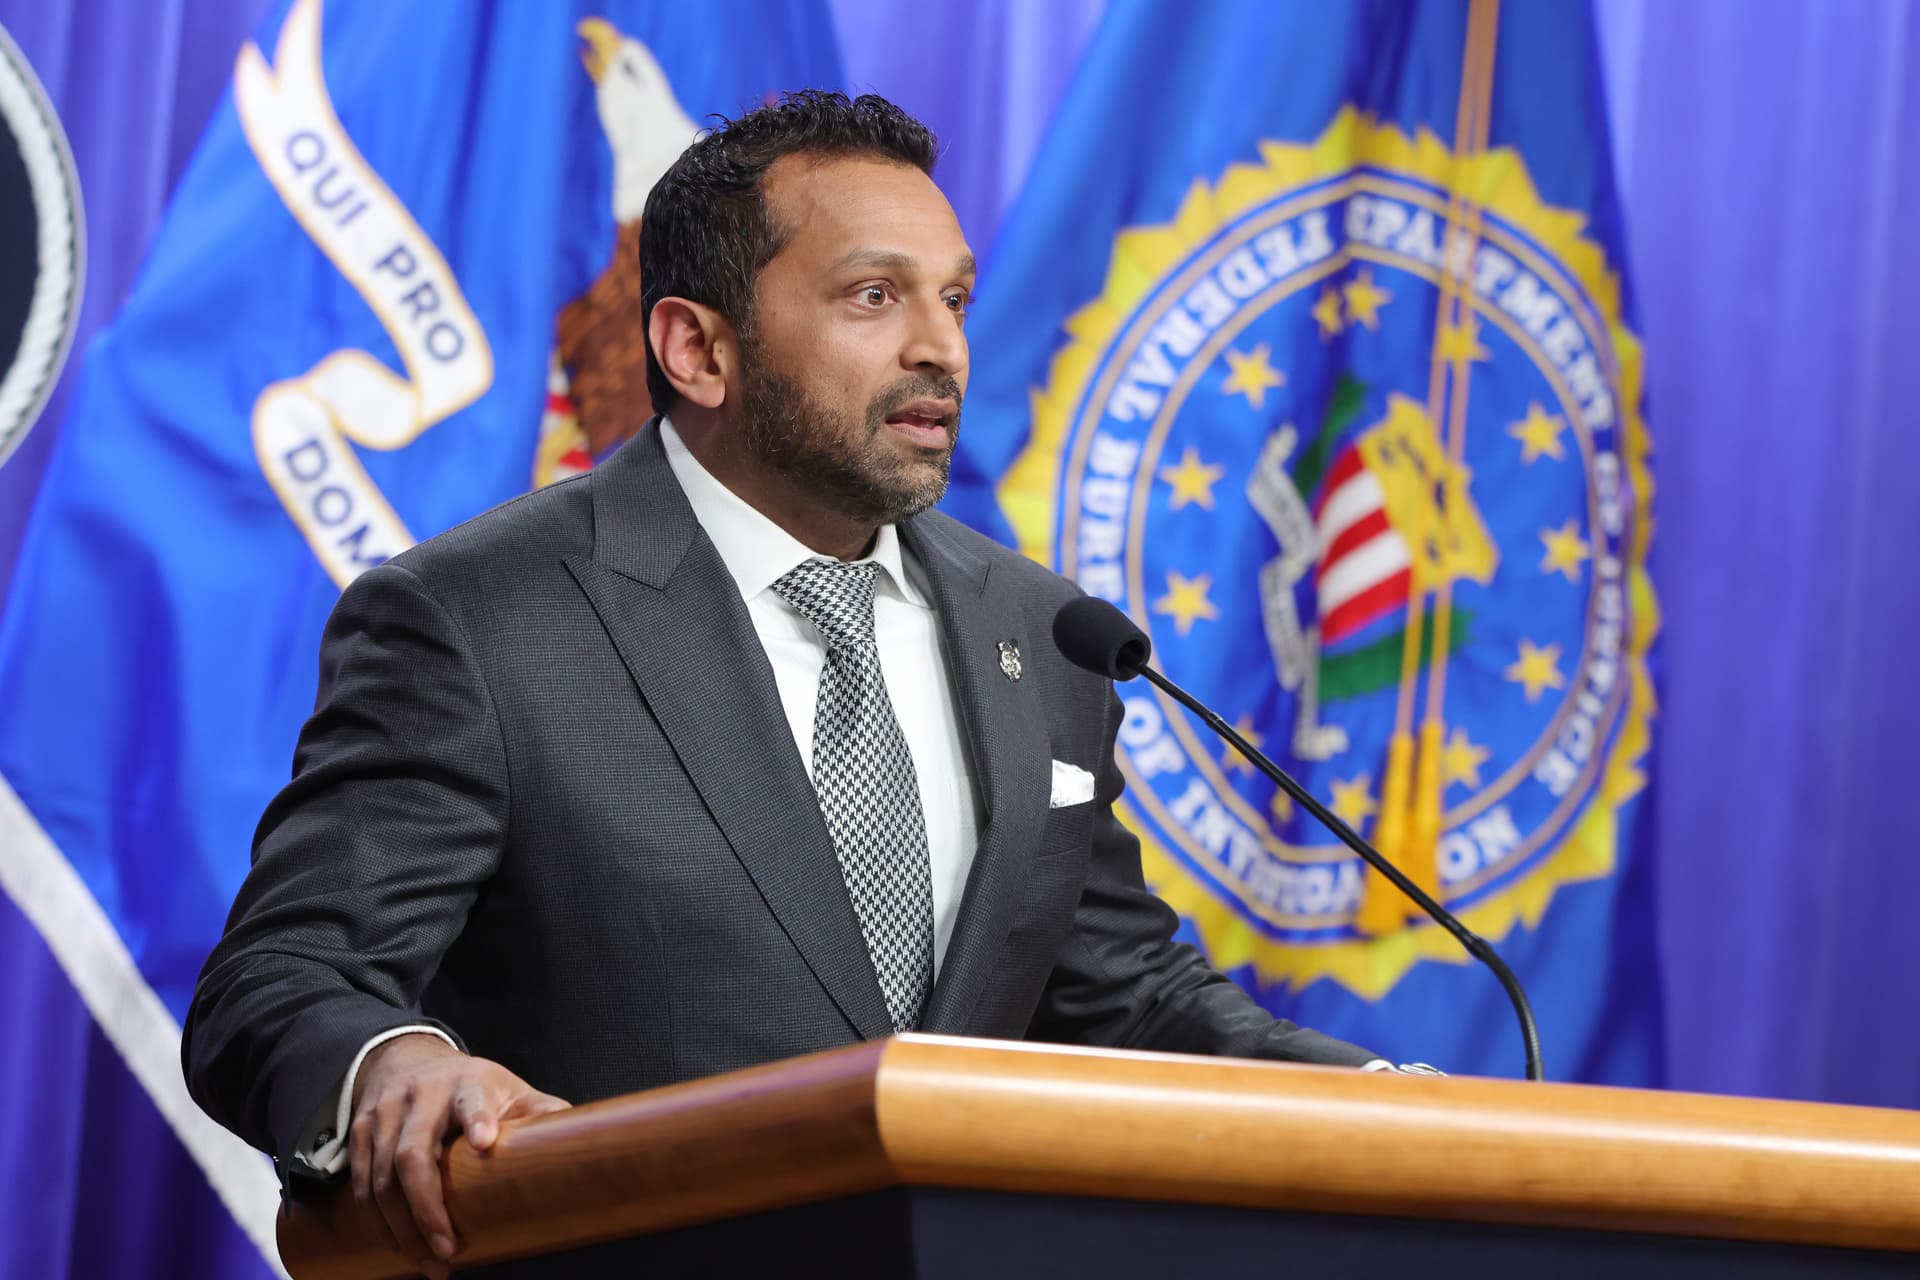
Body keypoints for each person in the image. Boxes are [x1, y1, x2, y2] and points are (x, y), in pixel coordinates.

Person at [183, 90, 1396, 1277]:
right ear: (697, 348)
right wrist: (391, 1061)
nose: (941, 345)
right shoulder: (480, 619)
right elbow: (279, 982)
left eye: (954, 296)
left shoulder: (1041, 629)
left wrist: (1381, 1106)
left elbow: (1119, 995)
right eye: (876, 295)